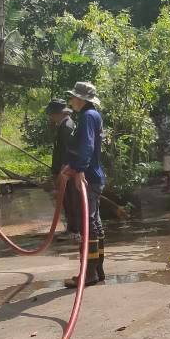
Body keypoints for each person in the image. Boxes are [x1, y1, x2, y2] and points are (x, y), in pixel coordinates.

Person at [62, 81, 106, 288]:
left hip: (88, 176)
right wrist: (72, 166)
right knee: (95, 223)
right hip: (93, 175)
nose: (71, 100)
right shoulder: (93, 115)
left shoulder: (87, 116)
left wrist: (79, 170)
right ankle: (97, 271)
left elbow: (87, 146)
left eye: (73, 97)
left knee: (88, 224)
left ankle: (88, 274)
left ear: (81, 99)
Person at [46, 99, 80, 239]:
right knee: (67, 200)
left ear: (58, 113)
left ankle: (74, 230)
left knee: (70, 200)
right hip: (66, 170)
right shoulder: (65, 125)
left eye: (52, 114)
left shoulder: (66, 127)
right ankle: (72, 229)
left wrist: (62, 172)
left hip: (66, 171)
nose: (51, 117)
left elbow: (67, 152)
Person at [152, 102, 170, 192]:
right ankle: (168, 186)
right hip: (167, 146)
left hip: (168, 147)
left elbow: (162, 134)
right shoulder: (165, 119)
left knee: (167, 168)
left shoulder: (163, 121)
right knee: (166, 168)